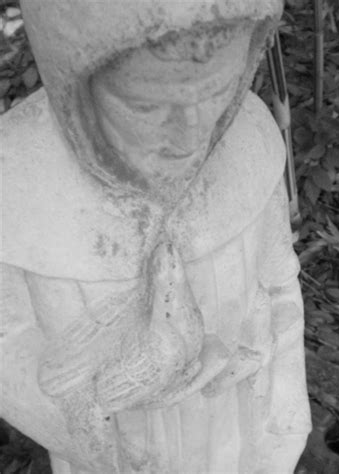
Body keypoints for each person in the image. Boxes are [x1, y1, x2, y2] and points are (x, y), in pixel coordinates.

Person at [0, 1, 311, 472]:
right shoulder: (16, 184)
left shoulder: (249, 140)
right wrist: (98, 400)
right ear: (75, 84)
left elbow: (280, 285)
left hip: (234, 437)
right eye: (146, 106)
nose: (189, 136)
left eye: (217, 92)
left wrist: (283, 421)